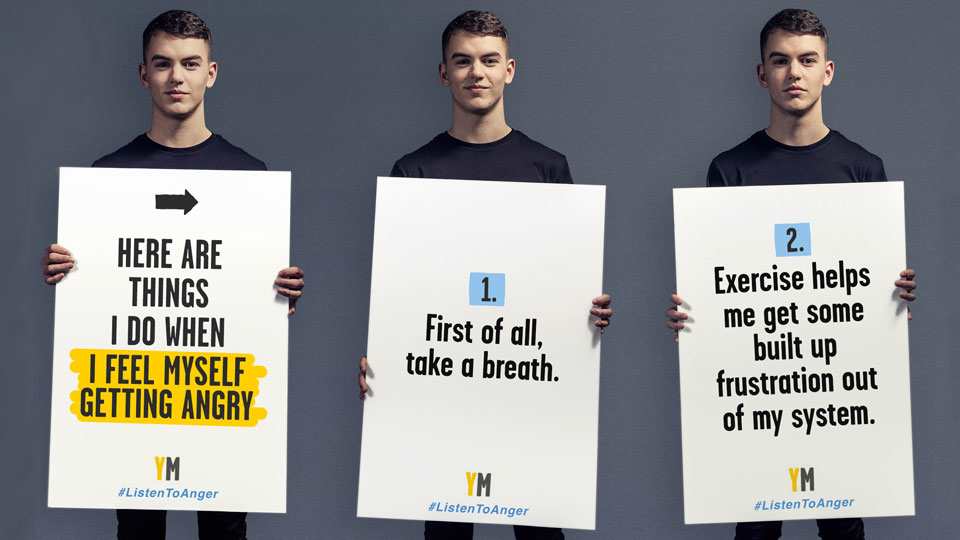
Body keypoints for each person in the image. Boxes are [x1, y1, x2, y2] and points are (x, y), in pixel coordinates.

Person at [42, 10, 304, 540]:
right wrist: (69, 272)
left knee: (226, 522)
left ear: (212, 73)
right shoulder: (108, 179)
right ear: (143, 74)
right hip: (140, 388)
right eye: (162, 64)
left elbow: (252, 296)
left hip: (218, 389)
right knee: (138, 525)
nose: (176, 78)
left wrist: (280, 293)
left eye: (190, 64)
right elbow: (99, 295)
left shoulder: (250, 178)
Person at [356, 10, 611, 540]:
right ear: (443, 73)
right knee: (447, 528)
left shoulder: (548, 168)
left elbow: (562, 280)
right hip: (447, 383)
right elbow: (404, 291)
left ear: (510, 70)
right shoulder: (414, 172)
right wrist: (384, 354)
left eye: (489, 60)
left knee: (540, 528)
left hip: (526, 382)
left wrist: (589, 316)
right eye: (463, 61)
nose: (477, 72)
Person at [665, 9, 916, 540]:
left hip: (835, 385)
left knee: (844, 525)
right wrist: (695, 314)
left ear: (829, 71)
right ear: (762, 74)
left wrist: (894, 295)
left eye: (807, 60)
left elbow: (866, 284)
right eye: (780, 61)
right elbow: (720, 282)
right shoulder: (730, 170)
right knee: (755, 526)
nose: (793, 73)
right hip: (760, 383)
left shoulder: (861, 168)